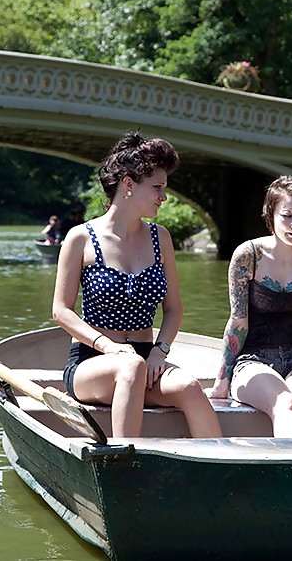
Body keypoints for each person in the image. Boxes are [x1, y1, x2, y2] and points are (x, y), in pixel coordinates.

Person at [52, 131, 221, 438]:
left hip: (147, 357)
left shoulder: (162, 238)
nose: (164, 197)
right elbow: (61, 312)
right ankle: (124, 468)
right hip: (93, 361)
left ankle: (224, 475)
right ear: (128, 185)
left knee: (189, 387)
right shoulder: (80, 238)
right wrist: (108, 347)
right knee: (129, 368)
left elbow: (173, 309)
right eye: (157, 187)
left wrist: (160, 351)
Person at [206, 176, 292, 439]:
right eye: (287, 216)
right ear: (271, 216)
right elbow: (238, 322)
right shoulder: (248, 255)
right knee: (284, 403)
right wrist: (222, 379)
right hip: (252, 361)